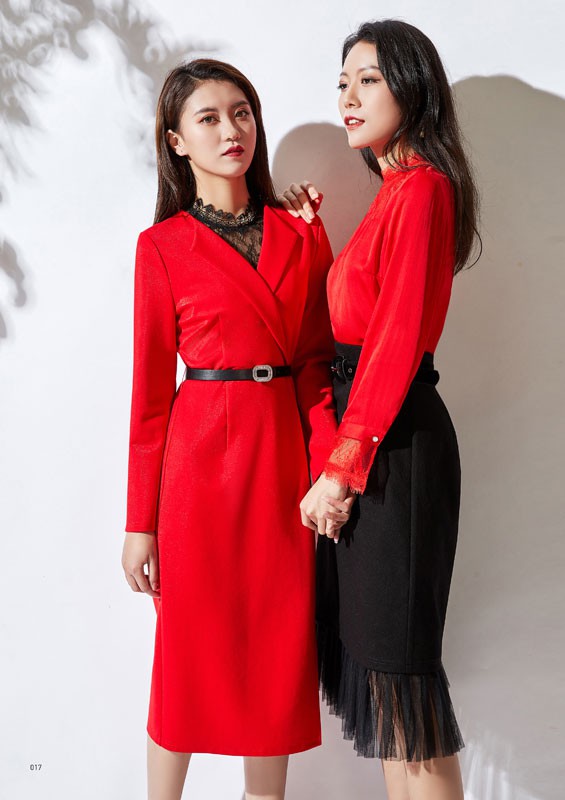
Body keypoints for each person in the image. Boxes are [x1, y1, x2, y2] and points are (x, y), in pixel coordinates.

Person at [120, 58, 346, 800]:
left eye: (241, 112)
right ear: (176, 141)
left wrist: (327, 470)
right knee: (185, 652)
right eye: (209, 118)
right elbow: (149, 399)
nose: (231, 130)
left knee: (277, 647)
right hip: (197, 473)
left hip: (281, 465)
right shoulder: (161, 246)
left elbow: (315, 364)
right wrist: (140, 524)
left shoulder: (299, 232)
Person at [281, 19, 480, 800]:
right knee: (387, 687)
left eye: (368, 79)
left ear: (413, 86)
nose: (349, 97)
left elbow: (393, 344)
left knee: (403, 683)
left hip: (392, 449)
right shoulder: (393, 194)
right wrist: (311, 239)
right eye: (342, 82)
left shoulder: (424, 187)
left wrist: (340, 471)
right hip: (373, 444)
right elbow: (352, 319)